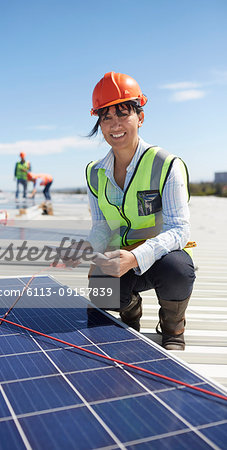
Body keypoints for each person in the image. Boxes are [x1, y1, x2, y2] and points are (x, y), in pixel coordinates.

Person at [83, 71, 196, 351]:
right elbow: (101, 226)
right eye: (106, 117)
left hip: (161, 258)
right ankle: (130, 312)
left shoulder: (167, 165)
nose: (114, 124)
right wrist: (90, 252)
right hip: (121, 257)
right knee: (99, 289)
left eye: (123, 114)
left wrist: (135, 257)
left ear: (140, 117)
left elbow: (180, 229)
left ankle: (173, 325)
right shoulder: (94, 173)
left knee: (178, 269)